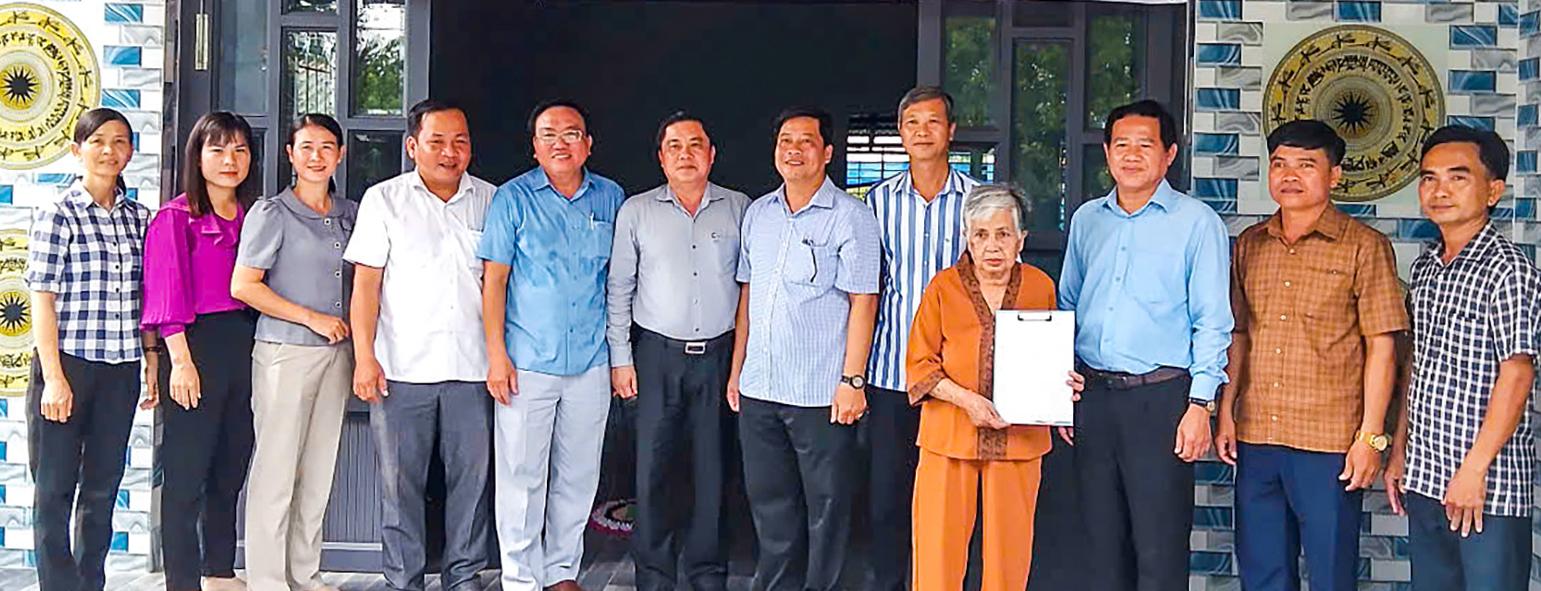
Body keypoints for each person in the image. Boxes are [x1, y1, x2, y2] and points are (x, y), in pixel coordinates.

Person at [1214, 120, 1407, 591]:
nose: (1289, 176)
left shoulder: (1365, 246)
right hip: (1258, 435)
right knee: (1262, 573)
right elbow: (1239, 334)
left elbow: (1383, 346)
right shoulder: (1251, 244)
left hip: (1330, 443)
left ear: (1334, 175)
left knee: (1330, 573)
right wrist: (1226, 412)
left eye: (1305, 165)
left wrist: (1372, 437)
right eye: (1279, 164)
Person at [1057, 99, 1232, 591]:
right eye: (1121, 145)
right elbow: (1068, 303)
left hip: (1162, 401)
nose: (1131, 155)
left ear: (1169, 153)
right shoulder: (1088, 220)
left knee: (1159, 547)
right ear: (1107, 152)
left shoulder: (1197, 223)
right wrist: (1059, 391)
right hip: (1093, 398)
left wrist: (1200, 404)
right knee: (1100, 544)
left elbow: (1213, 322)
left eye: (1145, 145)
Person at [345, 99, 495, 591]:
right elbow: (366, 286)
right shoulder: (384, 200)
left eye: (460, 141)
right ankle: (402, 579)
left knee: (471, 483)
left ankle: (464, 575)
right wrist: (364, 358)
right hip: (401, 368)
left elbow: (500, 286)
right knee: (399, 485)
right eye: (437, 142)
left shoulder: (491, 200)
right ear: (412, 146)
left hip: (473, 369)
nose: (450, 152)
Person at [729, 107, 880, 591]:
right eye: (785, 141)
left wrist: (853, 381)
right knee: (771, 507)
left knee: (826, 509)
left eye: (806, 141)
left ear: (828, 152)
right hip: (759, 388)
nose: (794, 150)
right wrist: (737, 371)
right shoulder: (759, 213)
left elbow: (864, 301)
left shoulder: (852, 217)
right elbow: (748, 295)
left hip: (819, 392)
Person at [1385, 126, 1540, 591]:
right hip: (1426, 474)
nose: (1440, 190)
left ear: (1493, 191)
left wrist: (1474, 470)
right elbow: (1418, 367)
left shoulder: (1509, 270)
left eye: (1458, 177)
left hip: (1486, 487)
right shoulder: (1426, 267)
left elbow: (1517, 375)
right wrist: (1399, 452)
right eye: (1429, 178)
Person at [479, 100, 626, 591]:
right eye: (549, 135)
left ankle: (562, 571)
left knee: (578, 475)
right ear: (535, 146)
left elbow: (618, 280)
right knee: (521, 477)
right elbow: (494, 281)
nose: (560, 143)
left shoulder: (610, 197)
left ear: (588, 143)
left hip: (591, 360)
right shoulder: (513, 199)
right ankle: (521, 578)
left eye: (571, 133)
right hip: (526, 361)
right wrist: (497, 355)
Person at [906, 184, 1082, 591]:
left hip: (1019, 439)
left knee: (1010, 556)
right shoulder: (943, 287)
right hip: (949, 436)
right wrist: (966, 400)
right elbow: (918, 365)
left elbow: (1052, 353)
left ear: (1021, 239)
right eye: (981, 235)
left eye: (1003, 234)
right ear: (967, 239)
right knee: (937, 554)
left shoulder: (1039, 286)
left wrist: (1064, 382)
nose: (992, 246)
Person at [606, 112, 749, 591]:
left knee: (713, 470)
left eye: (695, 145)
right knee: (653, 470)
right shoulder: (637, 211)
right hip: (655, 357)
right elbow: (619, 288)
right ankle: (654, 575)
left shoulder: (739, 208)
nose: (685, 154)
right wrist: (621, 357)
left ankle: (708, 573)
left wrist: (741, 363)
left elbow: (750, 290)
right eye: (674, 146)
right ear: (661, 157)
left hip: (718, 357)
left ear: (712, 154)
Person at [26, 107, 155, 591]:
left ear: (130, 152)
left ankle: (89, 582)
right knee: (54, 489)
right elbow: (42, 297)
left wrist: (150, 360)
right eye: (98, 141)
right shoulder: (57, 213)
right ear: (77, 150)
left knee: (102, 490)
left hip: (120, 368)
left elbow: (147, 298)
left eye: (119, 142)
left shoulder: (139, 219)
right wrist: (54, 378)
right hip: (67, 366)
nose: (109, 151)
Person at [232, 113, 358, 591]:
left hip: (338, 354)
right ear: (290, 154)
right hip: (285, 353)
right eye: (306, 147)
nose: (316, 156)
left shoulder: (351, 213)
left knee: (318, 468)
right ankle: (268, 580)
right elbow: (245, 286)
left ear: (340, 154)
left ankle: (305, 574)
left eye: (326, 147)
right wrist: (310, 317)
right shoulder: (272, 213)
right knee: (277, 469)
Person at [862, 86, 980, 590]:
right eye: (912, 123)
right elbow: (866, 286)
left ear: (951, 131)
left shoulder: (979, 200)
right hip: (892, 372)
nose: (922, 132)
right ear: (900, 133)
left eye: (933, 122)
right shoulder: (877, 201)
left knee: (955, 504)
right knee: (887, 500)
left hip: (959, 380)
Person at [142, 111, 261, 591]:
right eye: (218, 149)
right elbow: (166, 293)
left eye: (239, 150)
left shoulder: (255, 217)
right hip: (193, 346)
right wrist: (181, 362)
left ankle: (219, 571)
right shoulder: (175, 218)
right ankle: (182, 580)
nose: (230, 160)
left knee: (231, 465)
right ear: (197, 156)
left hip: (246, 344)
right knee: (186, 473)